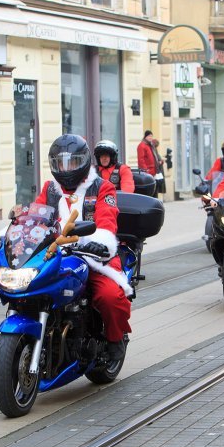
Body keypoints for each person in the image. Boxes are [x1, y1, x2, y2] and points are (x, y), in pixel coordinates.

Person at [40, 134, 131, 361]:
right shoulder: (50, 189)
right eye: (60, 163)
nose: (65, 168)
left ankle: (115, 338)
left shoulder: (102, 187)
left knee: (109, 296)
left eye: (71, 162)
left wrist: (98, 243)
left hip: (95, 255)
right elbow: (37, 214)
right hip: (56, 255)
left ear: (83, 162)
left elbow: (107, 220)